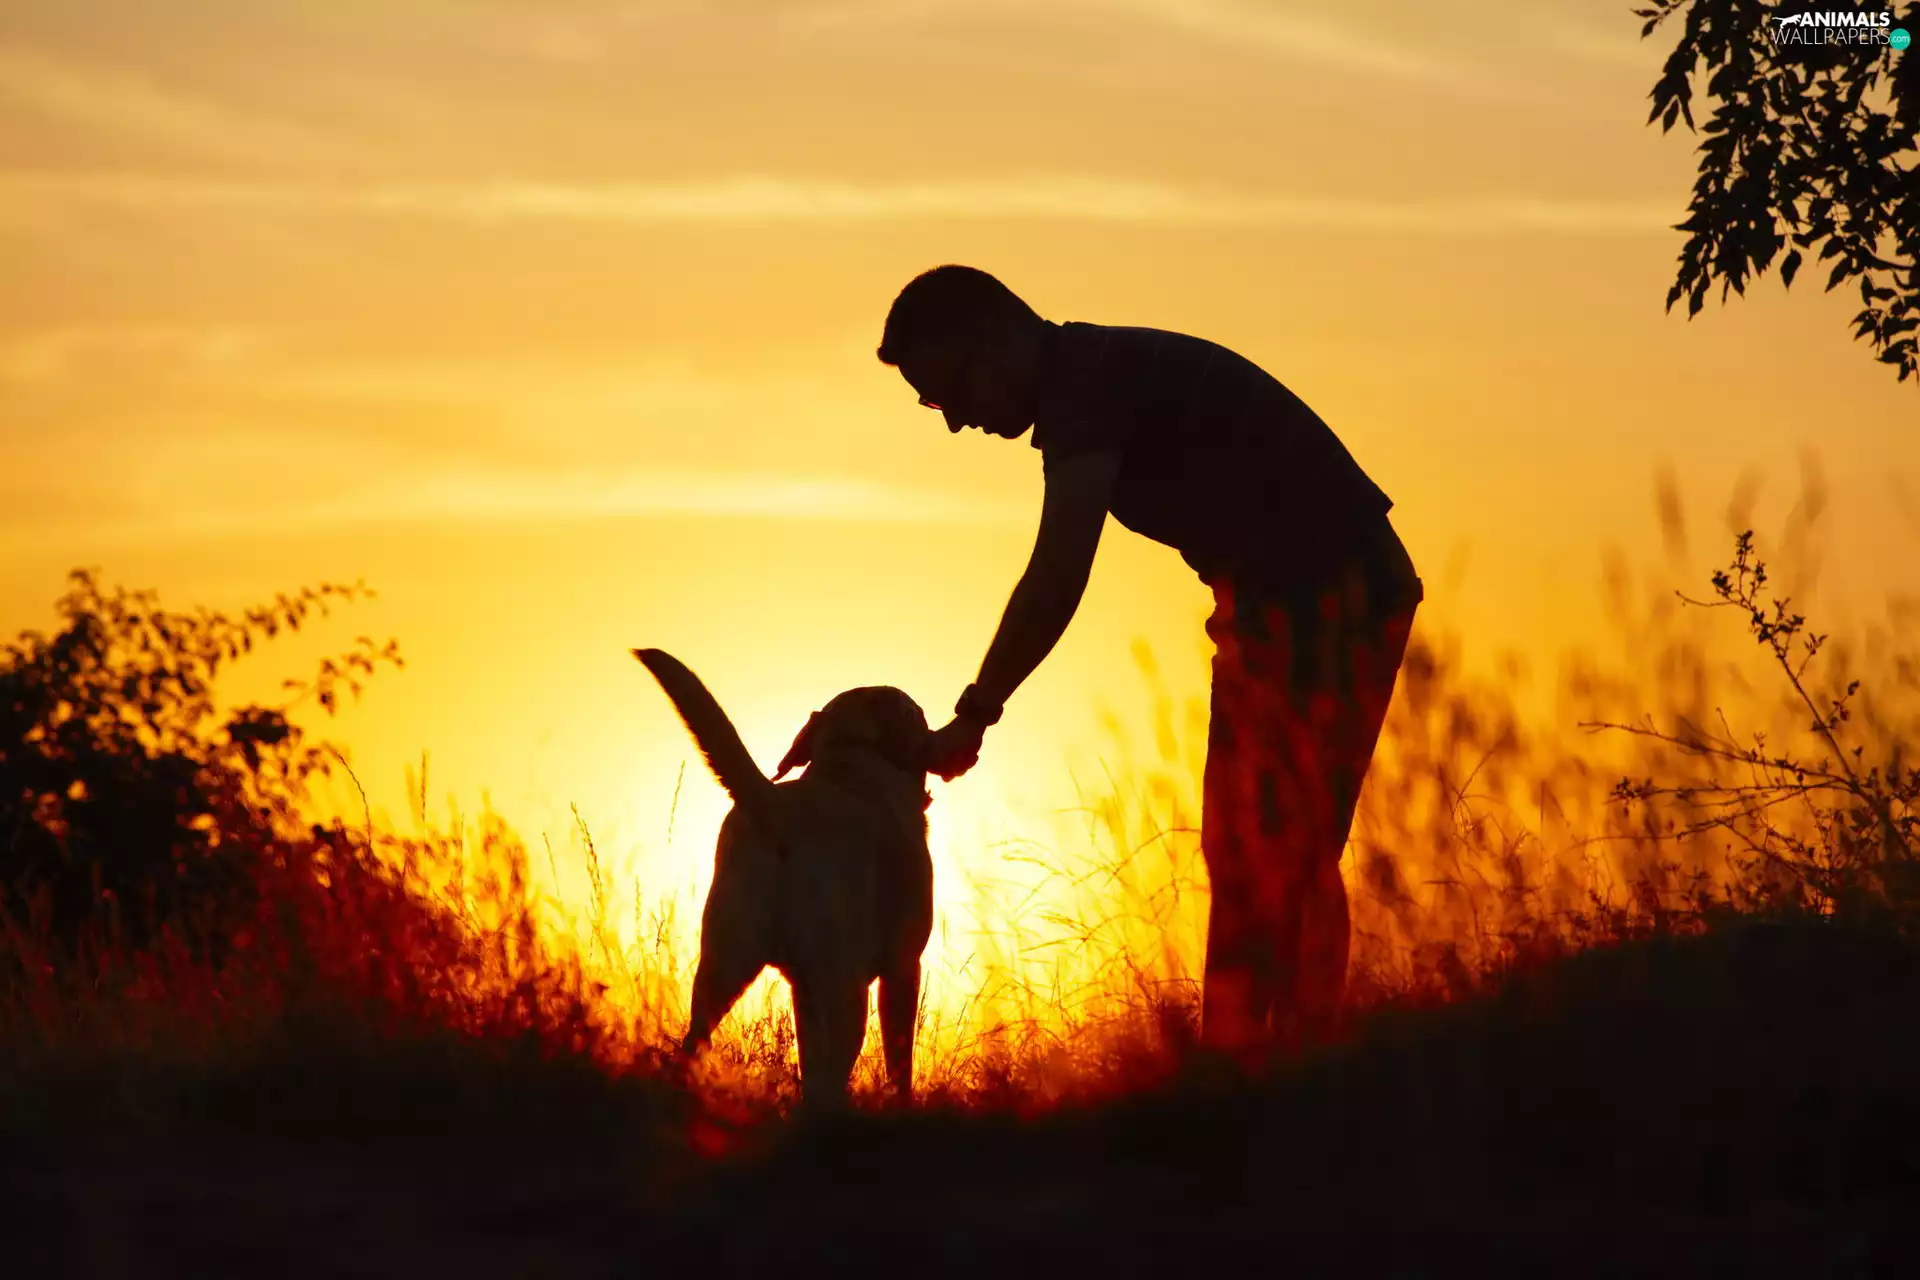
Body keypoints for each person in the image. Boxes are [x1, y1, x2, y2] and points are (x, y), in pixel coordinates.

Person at [883, 264, 1423, 1058]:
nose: (956, 420)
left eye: (949, 392)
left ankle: (1275, 1073)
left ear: (994, 337)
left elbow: (1058, 570)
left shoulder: (1086, 387)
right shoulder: (1091, 376)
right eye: (937, 406)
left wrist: (977, 709)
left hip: (1327, 593)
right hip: (1288, 600)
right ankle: (1260, 1072)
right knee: (1254, 851)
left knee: (1281, 851)